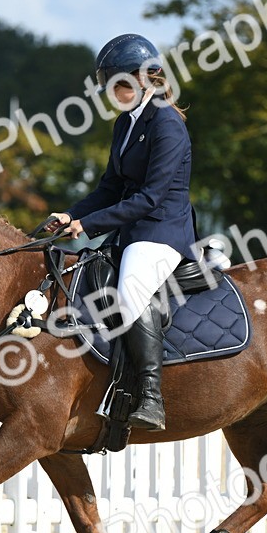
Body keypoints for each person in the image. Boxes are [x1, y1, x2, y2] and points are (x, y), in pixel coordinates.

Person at [45, 33, 196, 432]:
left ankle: (150, 395)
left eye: (122, 84)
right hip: (131, 230)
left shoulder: (167, 124)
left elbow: (150, 198)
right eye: (111, 86)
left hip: (161, 231)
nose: (116, 93)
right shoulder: (124, 125)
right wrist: (70, 215)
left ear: (147, 78)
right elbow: (110, 188)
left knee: (129, 289)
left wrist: (89, 226)